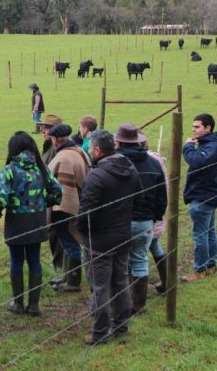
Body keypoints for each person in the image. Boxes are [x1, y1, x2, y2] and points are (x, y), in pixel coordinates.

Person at [77, 130, 142, 345]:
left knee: (100, 287)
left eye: (89, 148)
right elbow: (139, 198)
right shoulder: (130, 168)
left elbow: (85, 214)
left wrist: (83, 232)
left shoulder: (96, 176)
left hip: (100, 242)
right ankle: (121, 325)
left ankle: (99, 333)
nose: (87, 151)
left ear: (97, 150)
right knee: (121, 281)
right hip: (123, 235)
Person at [0, 132, 63, 316]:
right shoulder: (41, 167)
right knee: (34, 260)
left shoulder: (8, 170)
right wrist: (44, 203)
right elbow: (57, 191)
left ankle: (18, 303)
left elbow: (0, 200)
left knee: (16, 260)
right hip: (37, 220)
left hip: (16, 222)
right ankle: (33, 305)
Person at [115, 124, 167, 314]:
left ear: (118, 141)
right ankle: (139, 306)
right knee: (140, 260)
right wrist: (155, 217)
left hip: (119, 221)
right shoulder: (153, 163)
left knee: (120, 262)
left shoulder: (113, 162)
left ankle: (122, 301)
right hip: (144, 221)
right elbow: (162, 196)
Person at [47, 124, 91, 293]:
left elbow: (56, 184)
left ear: (55, 139)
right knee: (67, 242)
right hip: (77, 203)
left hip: (64, 207)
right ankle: (66, 276)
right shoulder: (79, 151)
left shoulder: (63, 157)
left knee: (70, 242)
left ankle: (73, 281)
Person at [181, 113, 217, 282]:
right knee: (209, 231)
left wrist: (187, 147)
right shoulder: (209, 144)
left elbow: (196, 161)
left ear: (208, 128)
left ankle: (199, 270)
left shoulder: (212, 147)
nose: (193, 129)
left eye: (197, 126)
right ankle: (211, 265)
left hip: (203, 197)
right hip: (208, 195)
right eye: (193, 126)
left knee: (200, 235)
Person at [141, 139, 169, 294]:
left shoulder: (147, 163)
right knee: (154, 244)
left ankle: (138, 297)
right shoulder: (156, 160)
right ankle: (167, 282)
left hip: (147, 214)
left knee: (139, 255)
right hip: (155, 213)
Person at [37, 114, 64, 271]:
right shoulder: (48, 147)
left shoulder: (55, 149)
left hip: (55, 198)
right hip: (50, 197)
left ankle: (60, 266)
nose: (43, 131)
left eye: (47, 128)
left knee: (56, 232)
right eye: (43, 127)